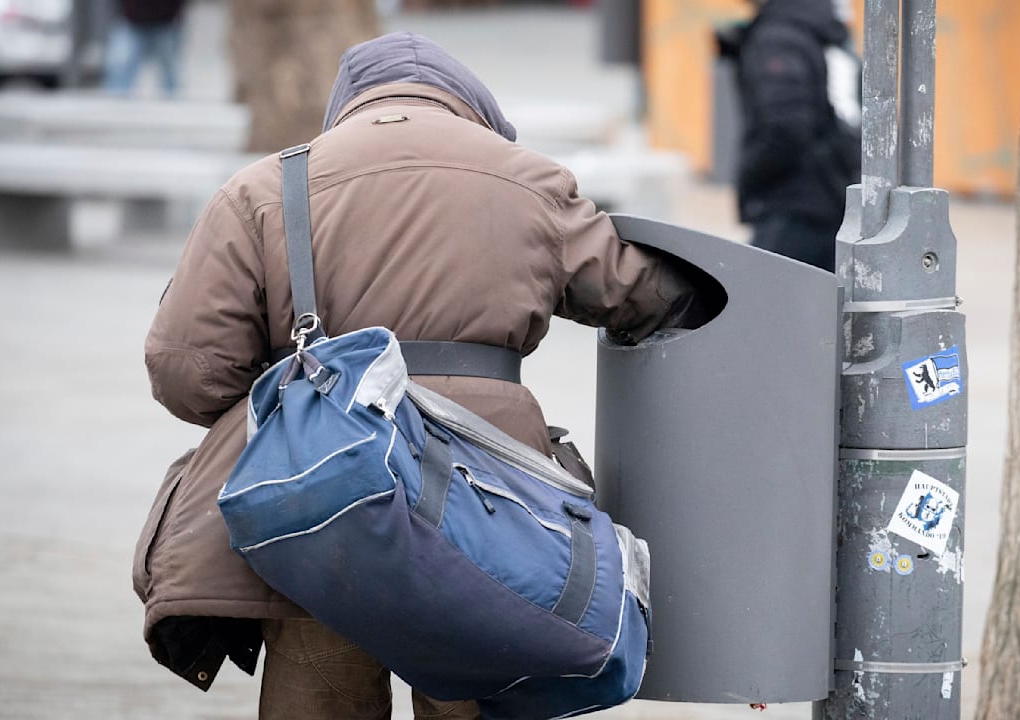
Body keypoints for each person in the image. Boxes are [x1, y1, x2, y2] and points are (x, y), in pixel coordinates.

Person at [135, 32, 716, 720]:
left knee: (320, 699)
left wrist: (302, 387)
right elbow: (641, 294)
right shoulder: (530, 179)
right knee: (478, 692)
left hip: (323, 502)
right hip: (489, 508)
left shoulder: (266, 188)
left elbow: (187, 371)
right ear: (471, 108)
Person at [726, 0, 860, 272]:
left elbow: (785, 129)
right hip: (838, 197)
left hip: (794, 204)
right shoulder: (823, 27)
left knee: (761, 303)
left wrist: (751, 178)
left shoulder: (779, 37)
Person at [102, 0, 187, 96]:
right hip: (131, 21)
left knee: (170, 70)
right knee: (120, 66)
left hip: (166, 23)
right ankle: (116, 105)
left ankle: (173, 104)